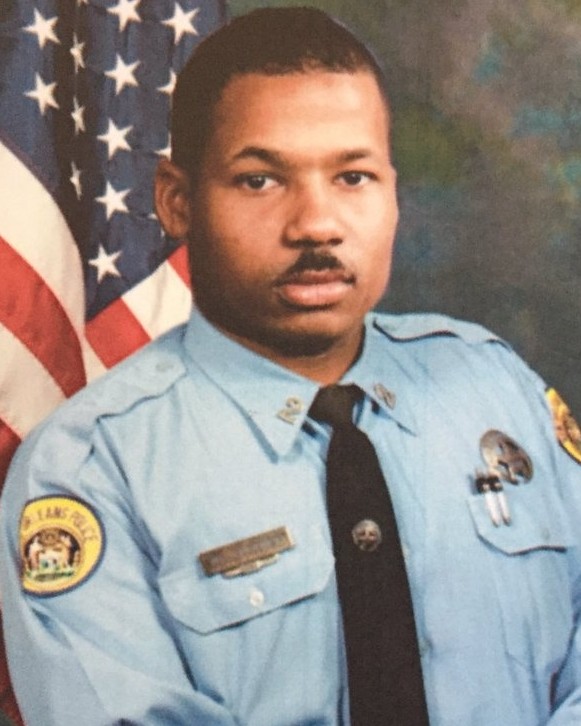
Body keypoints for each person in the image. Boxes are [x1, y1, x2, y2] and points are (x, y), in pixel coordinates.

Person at [1, 6, 581, 725]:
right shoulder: (91, 467)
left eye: (353, 177)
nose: (316, 224)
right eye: (260, 180)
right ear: (177, 202)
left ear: (394, 193)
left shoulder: (495, 389)